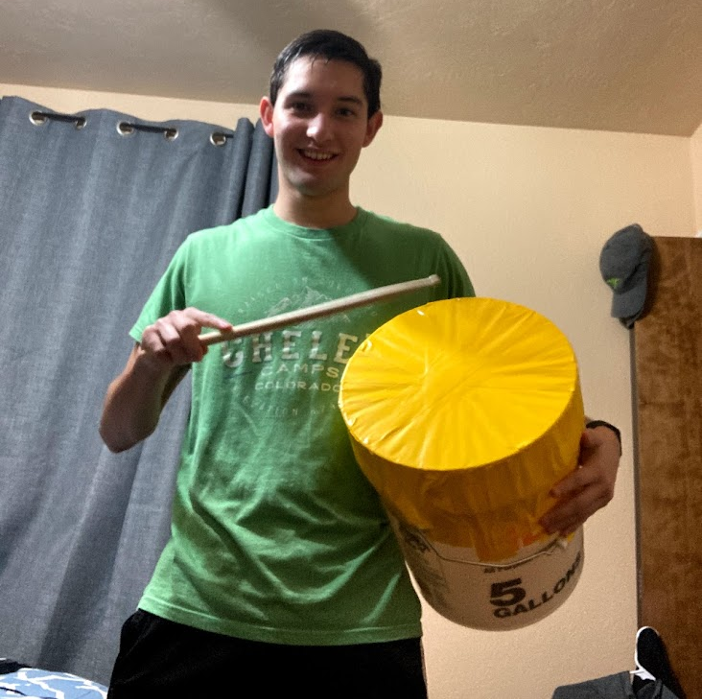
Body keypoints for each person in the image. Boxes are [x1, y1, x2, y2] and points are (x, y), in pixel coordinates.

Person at [100, 29, 622, 698]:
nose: (321, 127)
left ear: (372, 126)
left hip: (362, 627)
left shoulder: (422, 263)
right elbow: (118, 431)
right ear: (268, 115)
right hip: (198, 606)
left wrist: (604, 438)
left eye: (345, 109)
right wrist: (148, 361)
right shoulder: (203, 255)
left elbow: (495, 406)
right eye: (301, 105)